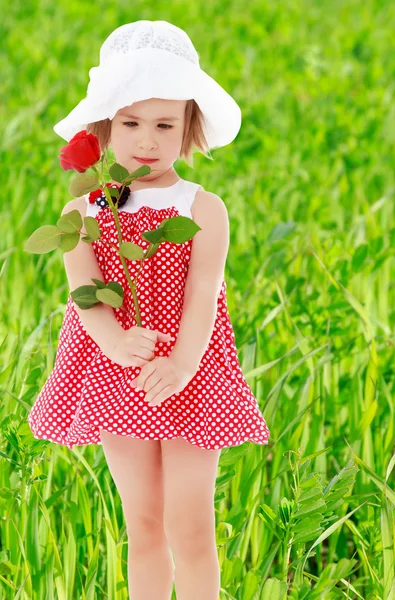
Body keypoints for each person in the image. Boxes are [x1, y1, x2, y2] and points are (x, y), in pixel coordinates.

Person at [28, 20, 271, 600]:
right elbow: (83, 290)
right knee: (143, 522)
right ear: (104, 126)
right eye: (130, 123)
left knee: (190, 523)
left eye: (165, 124)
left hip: (189, 369)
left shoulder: (203, 208)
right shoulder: (86, 212)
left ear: (190, 128)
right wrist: (112, 340)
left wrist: (185, 361)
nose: (147, 140)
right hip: (117, 370)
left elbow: (203, 292)